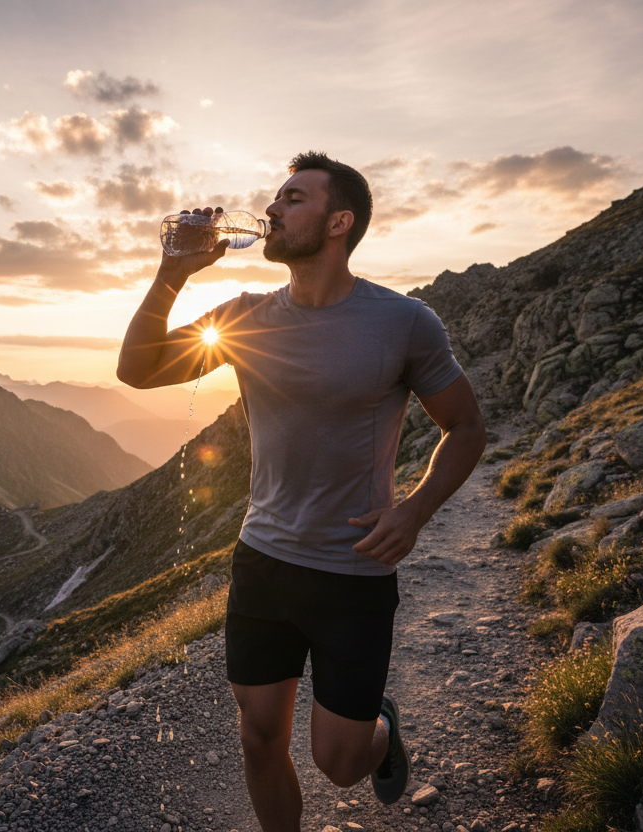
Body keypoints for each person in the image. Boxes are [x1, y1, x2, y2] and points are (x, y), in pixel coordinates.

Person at [116, 151, 486, 831]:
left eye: (292, 198)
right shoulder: (245, 316)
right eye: (275, 199)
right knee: (259, 738)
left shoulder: (403, 321)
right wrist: (173, 272)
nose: (271, 211)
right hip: (262, 562)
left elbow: (464, 427)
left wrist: (416, 510)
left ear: (339, 221)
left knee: (340, 763)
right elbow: (137, 371)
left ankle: (379, 732)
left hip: (353, 570)